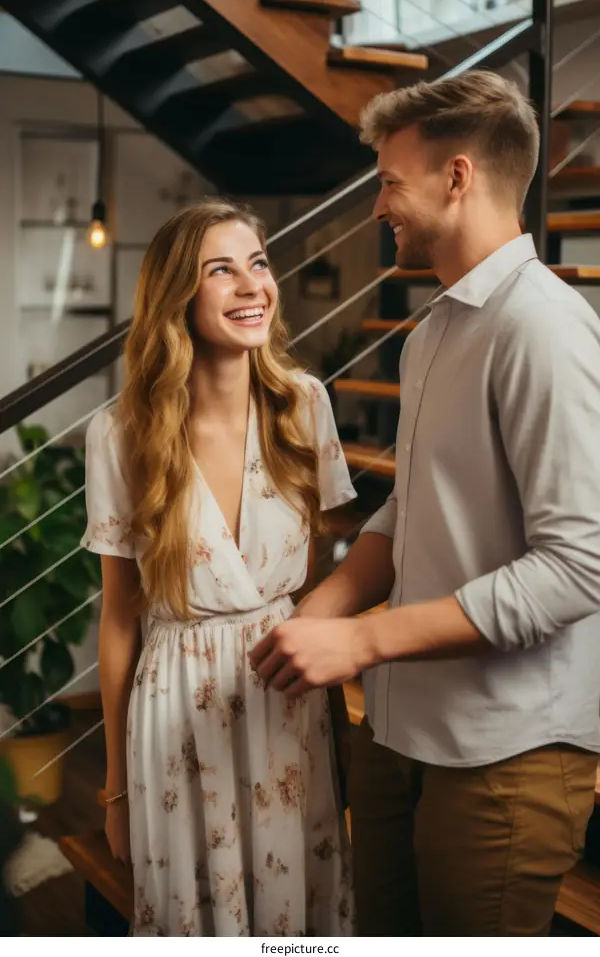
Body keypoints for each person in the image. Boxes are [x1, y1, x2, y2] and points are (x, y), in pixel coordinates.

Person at [250, 71, 600, 937]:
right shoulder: (437, 329)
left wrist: (362, 638)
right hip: (402, 728)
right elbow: (410, 510)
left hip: (505, 753)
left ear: (458, 176)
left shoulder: (543, 327)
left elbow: (578, 566)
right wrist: (316, 614)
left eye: (389, 183)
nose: (378, 208)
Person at [81, 200, 356, 937]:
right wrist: (114, 790)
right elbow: (117, 616)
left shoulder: (305, 407)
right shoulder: (120, 435)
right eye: (221, 270)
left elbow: (326, 571)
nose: (252, 284)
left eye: (259, 263)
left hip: (284, 695)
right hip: (175, 706)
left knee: (298, 917)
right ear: (178, 294)